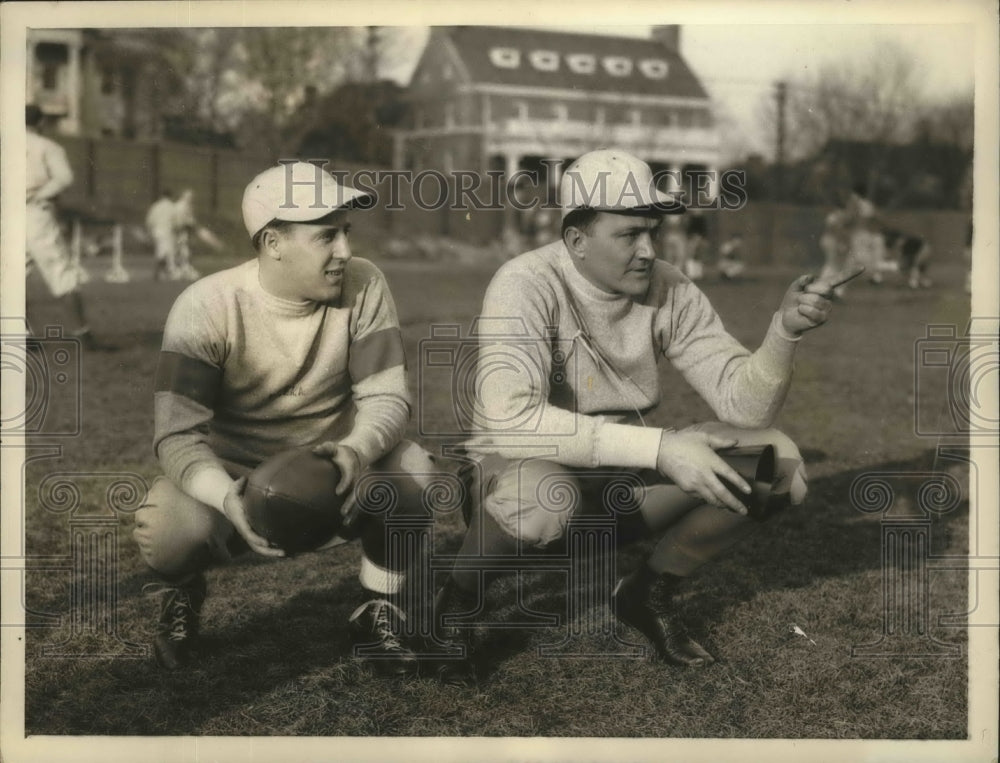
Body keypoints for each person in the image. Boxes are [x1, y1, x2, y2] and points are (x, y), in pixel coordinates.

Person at [432, 149, 836, 684]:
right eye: (628, 235)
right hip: (518, 478)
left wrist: (783, 332)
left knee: (777, 467)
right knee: (544, 503)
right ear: (576, 240)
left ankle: (646, 595)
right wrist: (663, 448)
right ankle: (457, 605)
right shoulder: (525, 281)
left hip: (616, 481)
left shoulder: (668, 285)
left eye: (652, 231)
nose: (648, 250)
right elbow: (511, 420)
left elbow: (743, 406)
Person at [133, 162, 438, 675]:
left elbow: (386, 397)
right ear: (273, 242)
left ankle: (378, 605)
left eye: (346, 232)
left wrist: (357, 450)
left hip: (333, 469)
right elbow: (177, 435)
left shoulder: (364, 283)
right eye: (326, 236)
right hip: (234, 473)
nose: (344, 249)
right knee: (168, 526)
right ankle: (182, 595)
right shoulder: (205, 305)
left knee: (415, 470)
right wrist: (224, 496)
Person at [25, 104, 95, 347]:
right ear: (41, 122)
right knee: (61, 272)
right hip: (35, 214)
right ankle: (82, 333)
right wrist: (41, 194)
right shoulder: (47, 146)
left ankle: (24, 335)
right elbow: (64, 178)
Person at [844, 183, 884, 285]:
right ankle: (875, 276)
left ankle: (875, 275)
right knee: (853, 258)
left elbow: (850, 218)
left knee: (860, 257)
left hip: (859, 234)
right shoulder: (868, 204)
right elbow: (875, 218)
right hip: (867, 233)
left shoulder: (855, 202)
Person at [817, 208, 851, 298]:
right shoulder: (834, 216)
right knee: (833, 265)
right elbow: (834, 230)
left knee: (837, 266)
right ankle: (824, 289)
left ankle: (831, 290)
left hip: (833, 241)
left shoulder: (842, 214)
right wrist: (840, 243)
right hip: (831, 241)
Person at [146, 189, 178, 281]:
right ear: (170, 196)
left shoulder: (155, 206)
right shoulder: (172, 206)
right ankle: (157, 272)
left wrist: (149, 232)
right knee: (166, 252)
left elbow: (149, 221)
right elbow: (176, 222)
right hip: (167, 231)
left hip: (156, 232)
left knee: (164, 252)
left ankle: (164, 273)